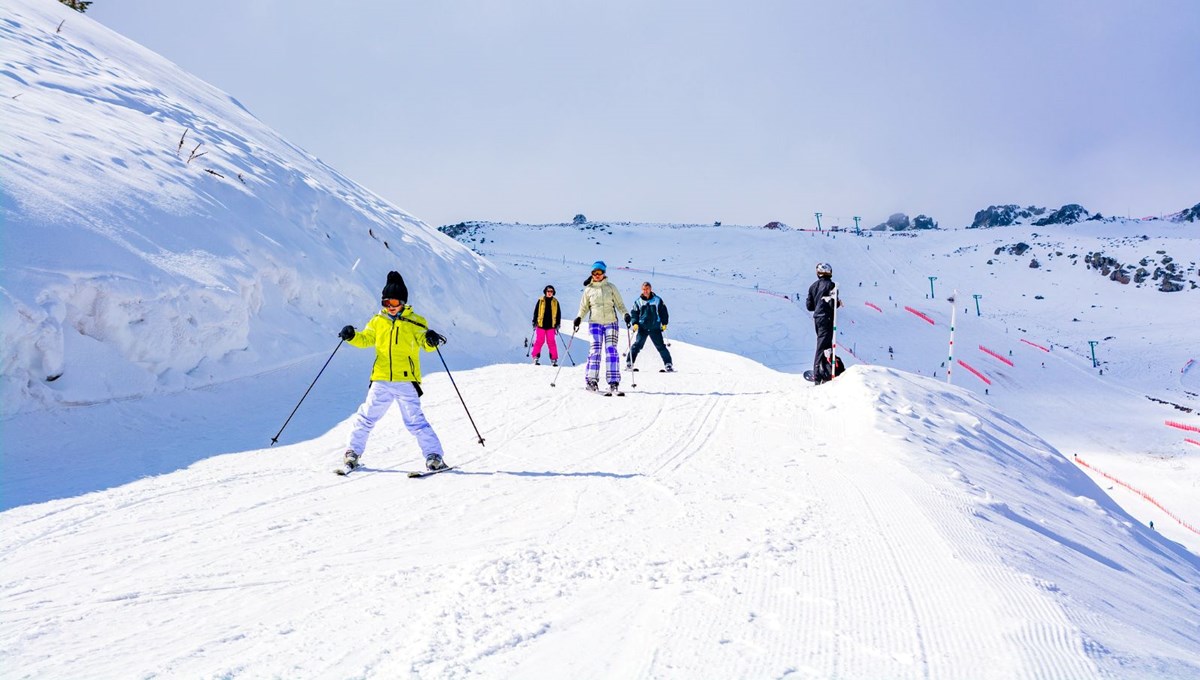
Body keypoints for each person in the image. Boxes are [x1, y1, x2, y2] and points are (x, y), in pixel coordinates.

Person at [337, 271, 449, 472]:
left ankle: (434, 456)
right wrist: (351, 336)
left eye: (394, 302)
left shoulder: (415, 321)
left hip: (406, 380)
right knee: (366, 416)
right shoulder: (377, 321)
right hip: (381, 378)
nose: (390, 307)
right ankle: (352, 452)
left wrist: (431, 339)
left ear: (403, 302)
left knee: (415, 421)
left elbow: (426, 343)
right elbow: (366, 339)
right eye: (386, 303)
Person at [573, 261, 629, 393]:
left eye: (599, 272)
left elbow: (620, 305)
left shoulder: (611, 287)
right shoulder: (589, 290)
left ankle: (613, 382)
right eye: (594, 273)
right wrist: (579, 318)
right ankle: (591, 380)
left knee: (611, 351)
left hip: (611, 322)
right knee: (595, 350)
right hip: (595, 323)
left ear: (604, 273)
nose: (597, 275)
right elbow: (584, 308)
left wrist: (625, 314)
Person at [805, 262, 843, 384]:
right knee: (822, 346)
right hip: (827, 318)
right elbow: (832, 304)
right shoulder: (832, 286)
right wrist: (838, 303)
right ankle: (818, 374)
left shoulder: (812, 286)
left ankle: (825, 369)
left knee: (825, 345)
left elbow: (809, 306)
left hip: (817, 319)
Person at [628, 281, 673, 372]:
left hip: (654, 327)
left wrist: (664, 323)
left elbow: (663, 312)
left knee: (660, 346)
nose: (645, 291)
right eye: (644, 289)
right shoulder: (638, 301)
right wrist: (635, 323)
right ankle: (629, 363)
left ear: (650, 289)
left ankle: (668, 364)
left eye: (647, 289)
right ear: (642, 290)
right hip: (643, 327)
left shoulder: (657, 300)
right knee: (637, 346)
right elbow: (634, 313)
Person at [530, 284, 561, 366]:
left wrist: (558, 324)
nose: (550, 293)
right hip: (541, 325)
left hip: (551, 326)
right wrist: (534, 321)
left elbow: (558, 314)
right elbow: (536, 311)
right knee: (539, 341)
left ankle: (554, 359)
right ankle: (535, 357)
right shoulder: (540, 301)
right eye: (548, 291)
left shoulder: (555, 302)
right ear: (545, 292)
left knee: (551, 342)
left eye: (551, 291)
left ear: (553, 292)